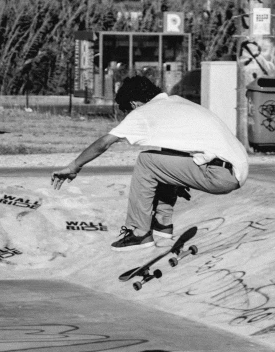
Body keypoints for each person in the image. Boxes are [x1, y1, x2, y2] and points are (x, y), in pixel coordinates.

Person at [51, 75, 249, 251]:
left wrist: (73, 166)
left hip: (217, 173)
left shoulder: (143, 113)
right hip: (233, 170)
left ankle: (140, 233)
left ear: (135, 104)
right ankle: (163, 224)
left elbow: (104, 143)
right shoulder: (177, 103)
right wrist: (177, 178)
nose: (129, 115)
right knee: (161, 155)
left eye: (128, 110)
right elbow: (177, 152)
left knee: (146, 160)